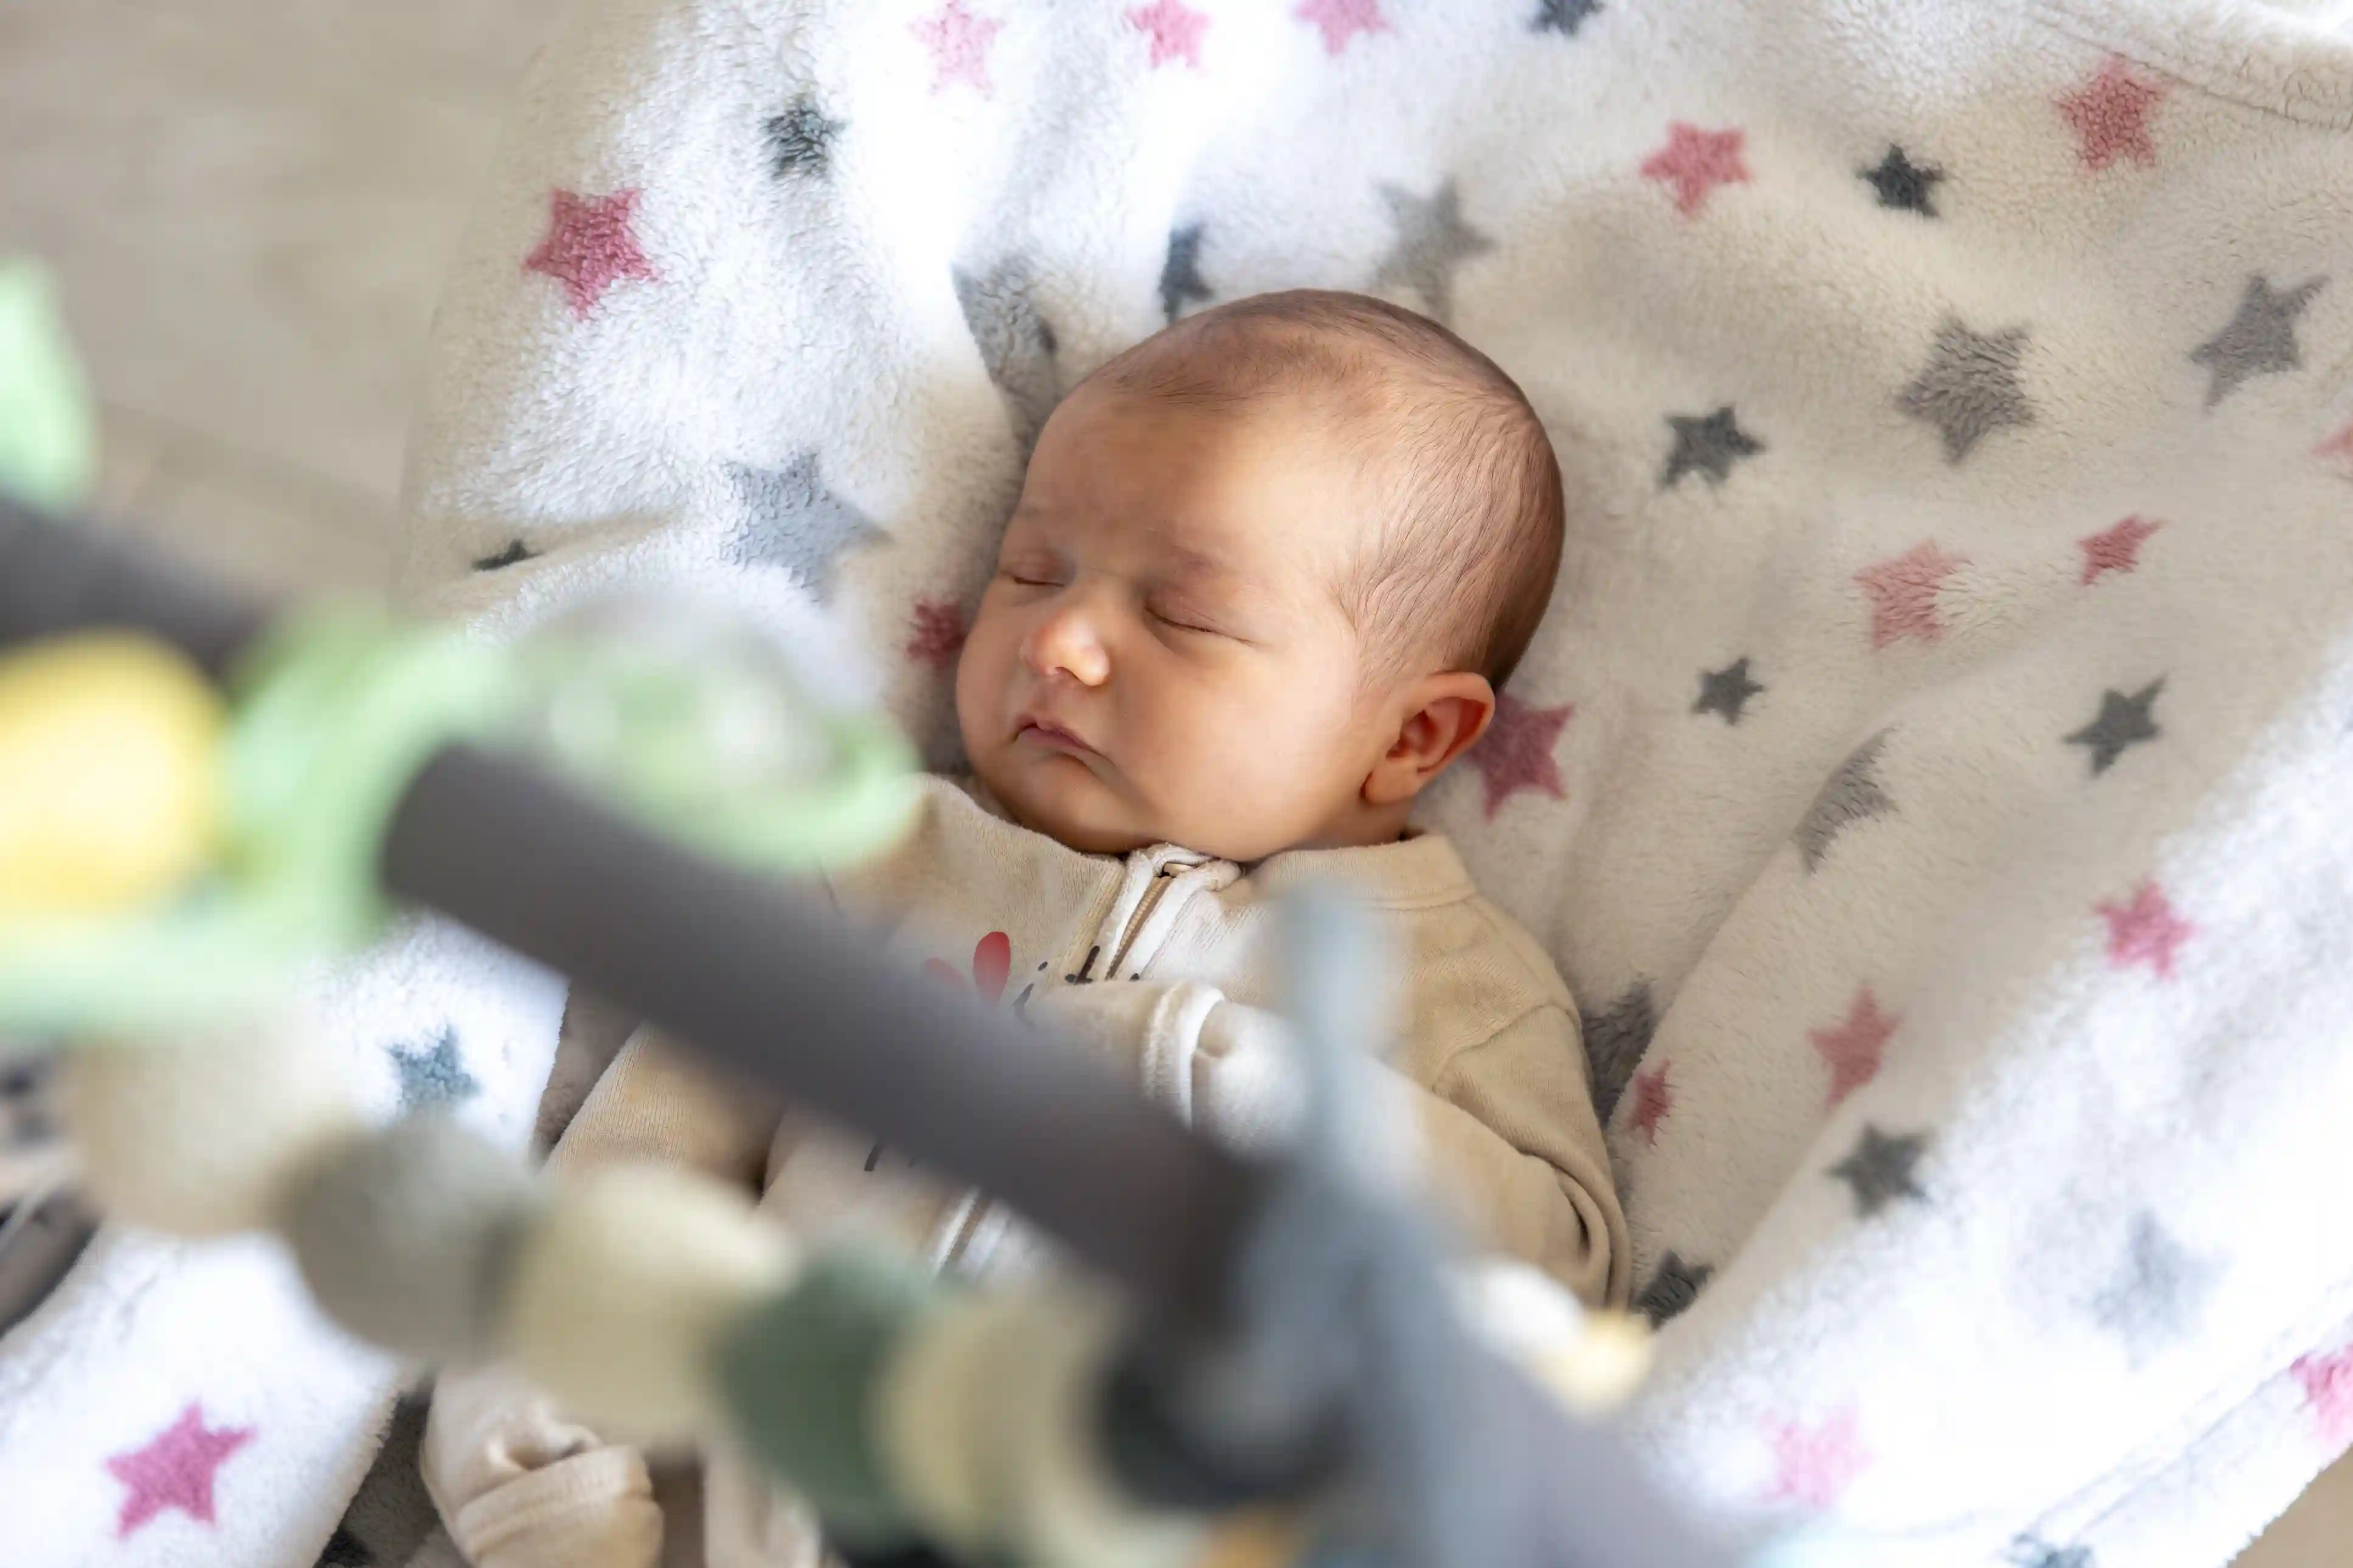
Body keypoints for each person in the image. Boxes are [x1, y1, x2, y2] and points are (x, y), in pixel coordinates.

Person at [420, 289, 1626, 1568]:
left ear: (1411, 735)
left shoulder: (1452, 984)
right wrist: (544, 1495)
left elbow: (1559, 1278)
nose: (1057, 639)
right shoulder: (872, 863)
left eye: (1183, 616)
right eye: (1030, 570)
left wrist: (1206, 1067)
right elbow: (629, 1188)